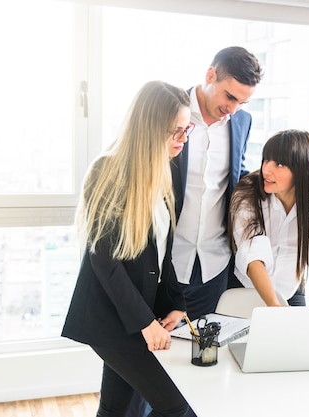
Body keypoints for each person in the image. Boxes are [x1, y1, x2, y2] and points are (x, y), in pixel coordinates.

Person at [61, 80, 194, 417]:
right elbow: (104, 261)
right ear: (151, 129)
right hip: (110, 318)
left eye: (186, 129)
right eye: (176, 131)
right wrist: (144, 323)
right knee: (177, 408)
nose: (183, 139)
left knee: (116, 409)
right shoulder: (106, 171)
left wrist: (176, 305)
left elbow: (162, 254)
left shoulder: (164, 170)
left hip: (136, 316)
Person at [171, 46, 263, 320]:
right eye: (230, 97)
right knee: (154, 353)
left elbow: (236, 177)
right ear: (210, 75)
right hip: (167, 260)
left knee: (204, 353)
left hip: (215, 263)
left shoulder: (241, 122)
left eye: (241, 103)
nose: (232, 109)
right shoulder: (170, 110)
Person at [228, 129, 309, 306]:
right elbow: (253, 256)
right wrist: (277, 310)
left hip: (291, 287)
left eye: (279, 164)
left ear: (303, 169)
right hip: (246, 286)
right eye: (266, 160)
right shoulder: (248, 191)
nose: (266, 170)